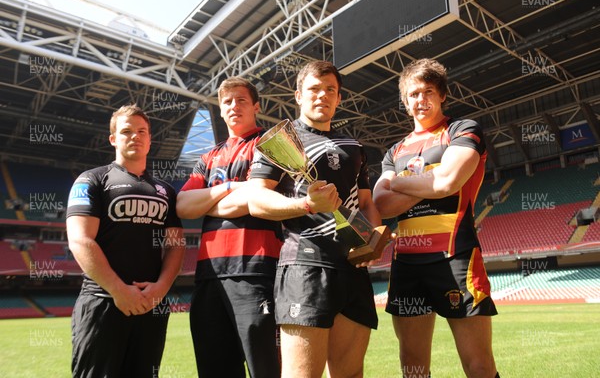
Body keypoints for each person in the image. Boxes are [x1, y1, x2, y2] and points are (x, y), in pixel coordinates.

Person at [245, 60, 381, 378]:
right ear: (298, 95)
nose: (322, 95)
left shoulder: (355, 147)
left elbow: (366, 202)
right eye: (314, 89)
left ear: (339, 98)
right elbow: (256, 201)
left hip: (352, 268)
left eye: (330, 90)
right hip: (306, 268)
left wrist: (371, 239)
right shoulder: (278, 143)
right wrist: (307, 204)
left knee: (350, 375)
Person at [373, 58, 500, 378]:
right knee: (414, 370)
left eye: (428, 91)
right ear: (405, 102)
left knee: (480, 366)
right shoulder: (395, 150)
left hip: (456, 257)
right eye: (413, 94)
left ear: (442, 94)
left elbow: (449, 182)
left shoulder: (463, 129)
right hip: (406, 264)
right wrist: (433, 182)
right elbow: (381, 204)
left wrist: (399, 182)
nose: (421, 100)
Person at [66, 104, 185, 377]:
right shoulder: (92, 180)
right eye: (126, 131)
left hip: (151, 304)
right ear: (113, 139)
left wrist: (161, 289)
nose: (135, 136)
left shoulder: (166, 191)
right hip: (102, 301)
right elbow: (80, 240)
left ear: (150, 138)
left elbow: (175, 245)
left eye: (142, 131)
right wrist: (119, 291)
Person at [176, 77, 282, 378]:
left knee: (266, 368)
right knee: (215, 368)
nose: (233, 106)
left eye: (241, 100)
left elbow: (254, 198)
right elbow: (183, 206)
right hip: (209, 275)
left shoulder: (269, 144)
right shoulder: (208, 158)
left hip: (256, 269)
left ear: (256, 107)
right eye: (227, 102)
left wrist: (207, 201)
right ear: (221, 111)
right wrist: (232, 186)